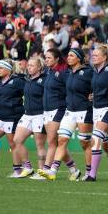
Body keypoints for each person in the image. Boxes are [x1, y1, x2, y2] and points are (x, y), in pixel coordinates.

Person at [41, 48, 93, 181]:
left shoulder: (88, 72)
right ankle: (52, 171)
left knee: (84, 143)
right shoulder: (68, 73)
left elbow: (98, 84)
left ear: (79, 59)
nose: (68, 57)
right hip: (70, 111)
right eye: (68, 55)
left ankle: (89, 172)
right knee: (62, 140)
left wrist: (95, 95)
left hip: (84, 110)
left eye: (71, 55)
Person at [84, 45, 108, 182]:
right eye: (92, 55)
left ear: (104, 57)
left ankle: (92, 175)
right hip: (97, 108)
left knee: (96, 139)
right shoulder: (95, 71)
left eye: (96, 55)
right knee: (107, 145)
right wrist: (94, 95)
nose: (93, 57)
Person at [35, 48, 74, 180]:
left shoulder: (63, 72)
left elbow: (71, 89)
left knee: (52, 142)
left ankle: (45, 171)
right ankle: (74, 169)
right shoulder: (48, 71)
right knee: (56, 143)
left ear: (57, 58)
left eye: (49, 58)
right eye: (45, 58)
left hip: (58, 109)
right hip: (47, 111)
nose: (46, 60)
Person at [11, 56, 47, 178]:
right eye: (29, 65)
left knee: (39, 145)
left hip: (40, 115)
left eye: (32, 65)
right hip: (27, 115)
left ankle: (42, 172)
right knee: (16, 140)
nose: (29, 67)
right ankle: (28, 167)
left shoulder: (45, 80)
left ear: (39, 67)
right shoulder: (26, 79)